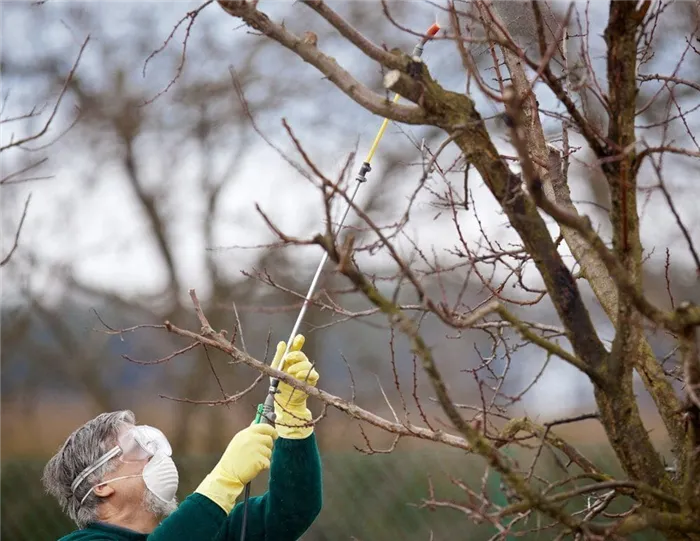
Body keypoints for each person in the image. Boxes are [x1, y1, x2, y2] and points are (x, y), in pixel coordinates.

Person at [43, 335, 322, 540]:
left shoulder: (206, 532)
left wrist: (292, 418)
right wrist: (224, 479)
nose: (154, 455)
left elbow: (294, 509)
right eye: (136, 447)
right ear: (101, 484)